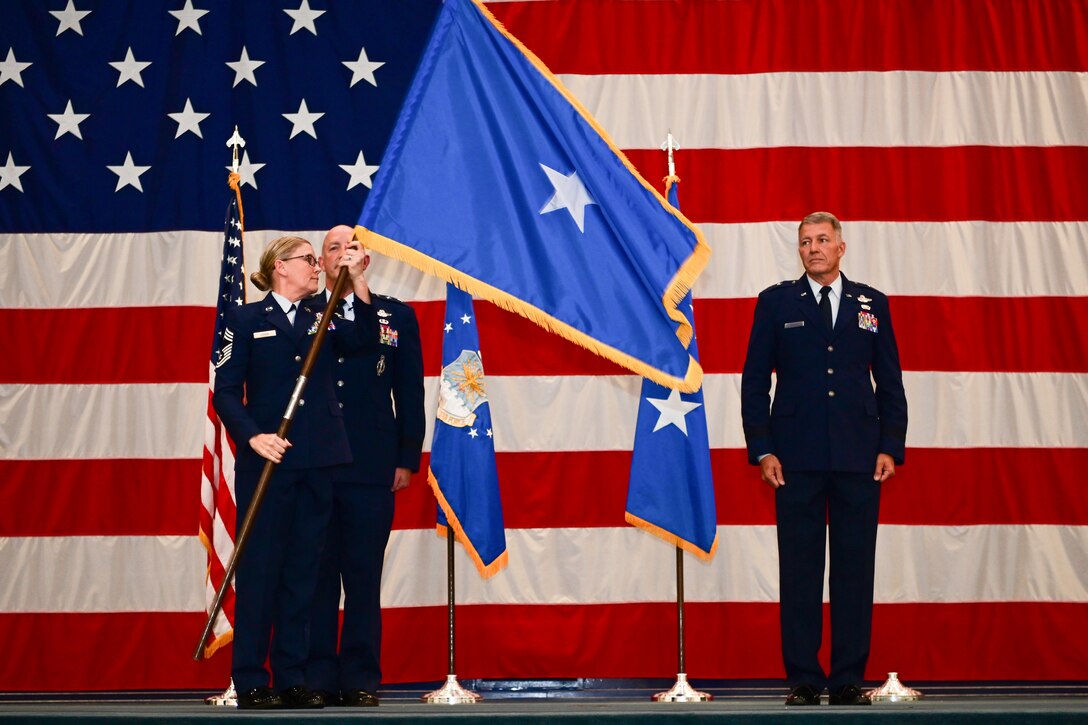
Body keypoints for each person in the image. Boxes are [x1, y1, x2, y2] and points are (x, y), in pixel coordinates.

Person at [740, 212, 908, 707]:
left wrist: (890, 445)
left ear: (840, 247)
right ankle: (804, 679)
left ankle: (848, 678)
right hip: (794, 456)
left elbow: (890, 381)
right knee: (800, 570)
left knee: (854, 570)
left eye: (822, 240)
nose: (813, 248)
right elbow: (754, 383)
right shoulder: (776, 303)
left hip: (860, 455)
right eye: (805, 242)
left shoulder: (871, 304)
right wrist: (763, 447)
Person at [212, 235, 378, 709]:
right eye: (308, 259)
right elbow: (226, 391)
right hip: (267, 462)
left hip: (317, 461)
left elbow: (364, 341)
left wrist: (357, 281)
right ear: (280, 267)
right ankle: (250, 678)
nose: (316, 266)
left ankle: (292, 677)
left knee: (304, 573)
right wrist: (252, 436)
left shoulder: (322, 316)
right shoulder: (246, 319)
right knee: (260, 571)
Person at [306, 225, 426, 707]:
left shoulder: (395, 315)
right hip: (313, 464)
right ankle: (315, 678)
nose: (341, 254)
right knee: (315, 577)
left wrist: (407, 457)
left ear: (365, 260)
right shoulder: (301, 312)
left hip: (371, 464)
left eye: (349, 248)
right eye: (332, 248)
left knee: (362, 577)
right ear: (320, 262)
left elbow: (409, 389)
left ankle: (359, 677)